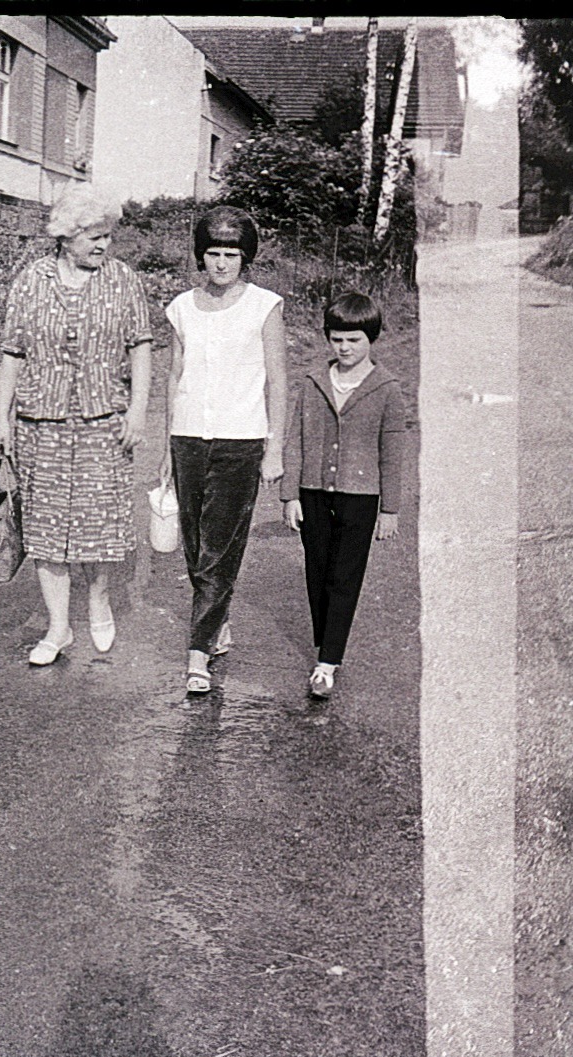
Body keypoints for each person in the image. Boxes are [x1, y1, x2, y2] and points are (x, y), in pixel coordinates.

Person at [0, 183, 153, 666]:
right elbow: (11, 355)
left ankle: (99, 600)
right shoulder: (31, 281)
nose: (103, 245)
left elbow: (141, 346)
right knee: (45, 525)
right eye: (93, 237)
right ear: (66, 236)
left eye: (108, 236)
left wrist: (139, 409)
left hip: (104, 419)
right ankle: (58, 628)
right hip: (40, 422)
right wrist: (0, 420)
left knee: (100, 522)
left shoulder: (122, 280)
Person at [164, 206, 287, 696]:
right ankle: (216, 620)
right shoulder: (181, 307)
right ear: (201, 256)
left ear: (245, 258)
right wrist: (163, 449)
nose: (220, 264)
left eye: (230, 255)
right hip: (188, 437)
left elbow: (278, 378)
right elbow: (174, 377)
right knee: (195, 545)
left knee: (220, 546)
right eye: (212, 253)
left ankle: (198, 654)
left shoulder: (265, 306)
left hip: (241, 439)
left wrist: (274, 448)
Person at [281, 292, 406, 699]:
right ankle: (327, 644)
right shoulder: (313, 382)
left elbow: (392, 452)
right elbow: (295, 440)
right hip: (313, 491)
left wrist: (390, 508)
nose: (345, 348)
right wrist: (289, 494)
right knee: (317, 573)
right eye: (337, 339)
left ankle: (327, 662)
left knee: (344, 577)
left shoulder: (386, 389)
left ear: (371, 339)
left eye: (353, 340)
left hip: (360, 496)